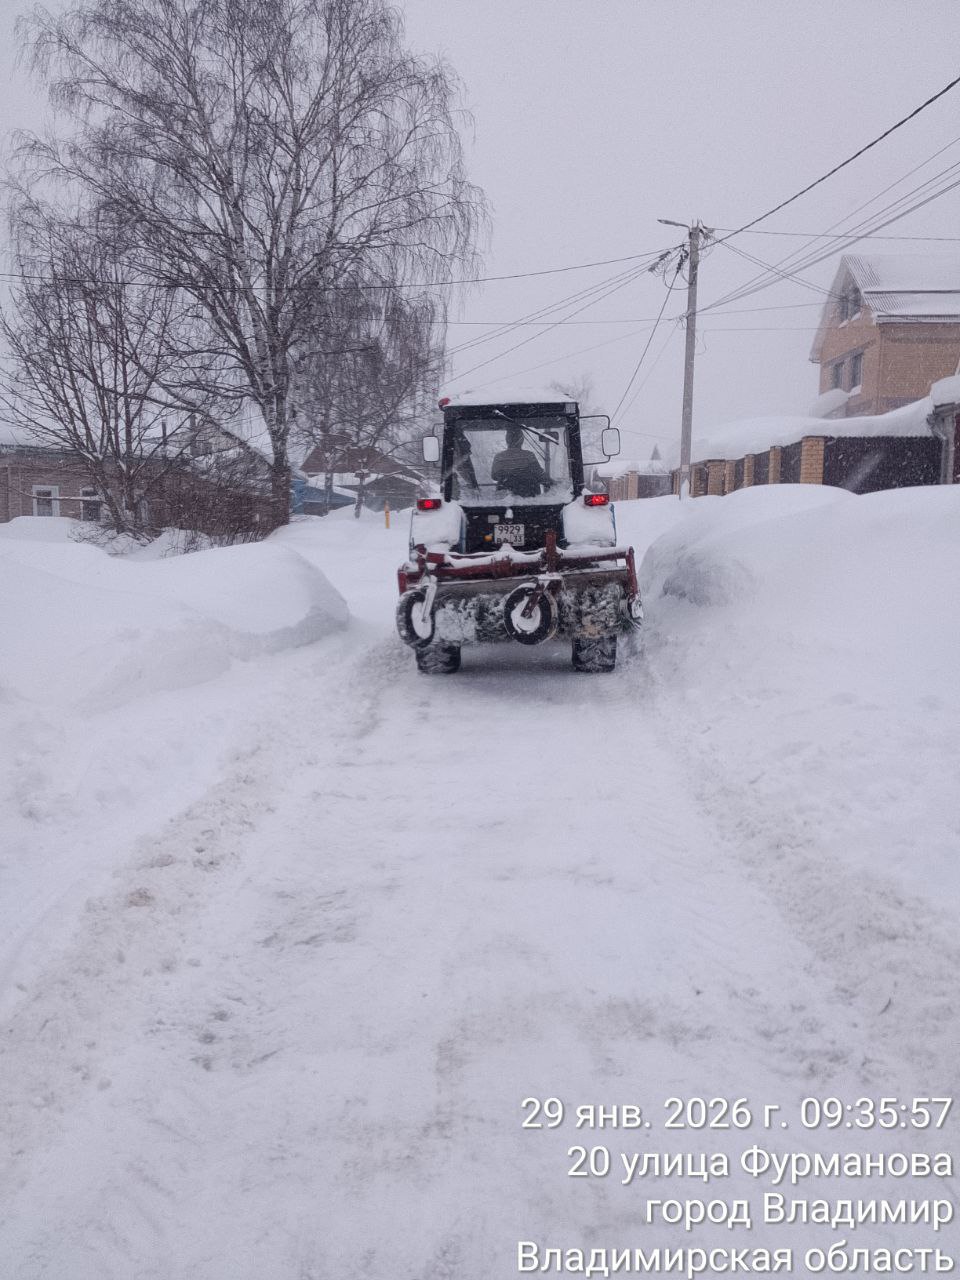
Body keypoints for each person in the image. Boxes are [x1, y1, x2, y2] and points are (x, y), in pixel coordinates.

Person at [491, 426, 548, 498]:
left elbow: (494, 476)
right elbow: (539, 475)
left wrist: (509, 476)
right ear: (521, 440)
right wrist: (552, 483)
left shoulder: (499, 457)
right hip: (529, 499)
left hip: (505, 500)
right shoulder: (529, 456)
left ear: (507, 440)